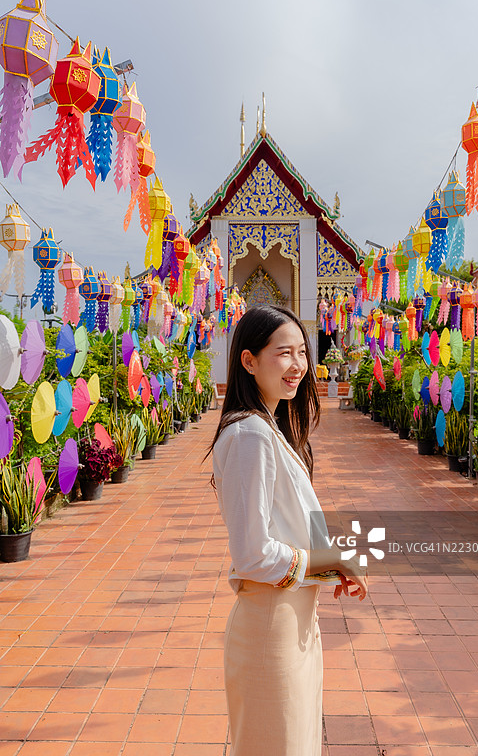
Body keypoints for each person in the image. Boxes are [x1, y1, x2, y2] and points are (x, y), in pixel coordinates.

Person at [207, 304, 368, 756]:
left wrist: (332, 565)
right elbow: (254, 553)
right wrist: (331, 561)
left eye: (302, 352)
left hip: (294, 621)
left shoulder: (269, 428)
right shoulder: (250, 435)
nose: (298, 365)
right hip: (270, 627)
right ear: (249, 360)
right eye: (283, 353)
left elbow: (289, 525)